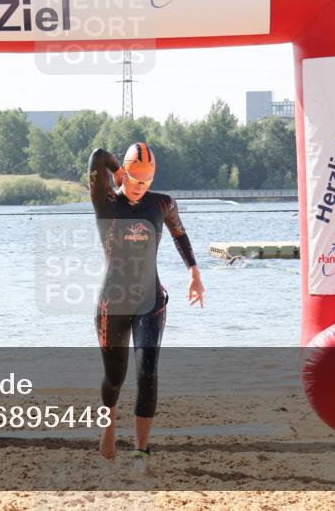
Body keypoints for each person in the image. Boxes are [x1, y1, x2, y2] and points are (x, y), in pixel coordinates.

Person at [88, 142, 205, 462]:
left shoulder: (163, 203)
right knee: (115, 378)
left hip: (151, 301)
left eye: (146, 183)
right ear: (124, 174)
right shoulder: (107, 204)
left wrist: (194, 271)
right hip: (113, 305)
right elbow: (98, 155)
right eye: (135, 181)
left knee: (147, 372)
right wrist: (116, 171)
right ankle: (108, 422)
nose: (140, 189)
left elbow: (180, 234)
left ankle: (141, 449)